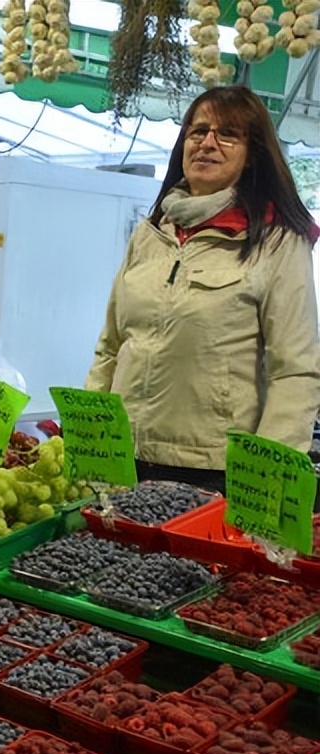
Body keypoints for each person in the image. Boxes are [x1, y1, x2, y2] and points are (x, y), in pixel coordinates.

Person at [86, 85, 320, 494]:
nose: (207, 143)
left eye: (228, 133)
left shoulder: (277, 241)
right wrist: (90, 437)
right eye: (198, 131)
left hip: (213, 472)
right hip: (124, 458)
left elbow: (295, 370)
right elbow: (111, 346)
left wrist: (265, 481)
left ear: (253, 156)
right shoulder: (150, 234)